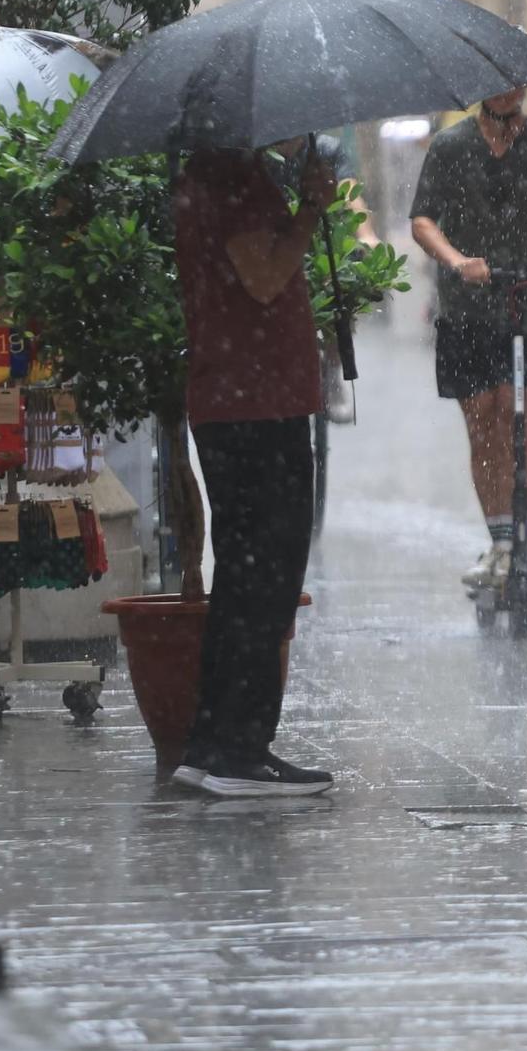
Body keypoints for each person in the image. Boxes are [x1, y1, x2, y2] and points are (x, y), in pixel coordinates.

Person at [170, 136, 339, 797]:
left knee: (244, 576)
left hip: (240, 400)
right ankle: (239, 751)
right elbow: (263, 278)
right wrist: (310, 210)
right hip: (256, 406)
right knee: (266, 576)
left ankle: (213, 744)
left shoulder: (211, 171)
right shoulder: (233, 175)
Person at [409, 87, 527, 592]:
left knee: (515, 417)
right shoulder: (450, 146)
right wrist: (456, 260)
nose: (509, 90)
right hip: (465, 306)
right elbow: (423, 220)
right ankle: (499, 538)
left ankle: (516, 543)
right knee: (481, 420)